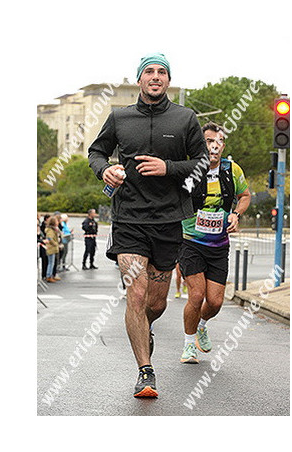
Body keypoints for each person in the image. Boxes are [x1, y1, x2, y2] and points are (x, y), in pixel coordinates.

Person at [88, 53, 208, 397]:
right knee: (136, 294)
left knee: (155, 304)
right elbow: (96, 152)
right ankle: (145, 370)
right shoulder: (120, 117)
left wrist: (168, 168)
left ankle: (144, 327)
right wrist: (105, 170)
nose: (155, 76)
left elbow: (202, 163)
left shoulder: (185, 118)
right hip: (129, 219)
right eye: (149, 72)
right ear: (139, 79)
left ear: (168, 80)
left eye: (161, 72)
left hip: (168, 219)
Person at [178, 121, 251, 363]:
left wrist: (236, 214)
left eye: (219, 141)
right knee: (196, 295)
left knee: (216, 302)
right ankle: (189, 345)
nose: (214, 146)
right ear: (201, 144)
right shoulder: (191, 169)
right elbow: (174, 196)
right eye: (209, 141)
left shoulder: (231, 170)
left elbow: (245, 195)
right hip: (190, 241)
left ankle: (201, 325)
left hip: (219, 245)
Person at [45, 216, 60, 283]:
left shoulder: (53, 229)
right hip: (51, 248)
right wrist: (55, 243)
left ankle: (51, 275)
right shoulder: (50, 230)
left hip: (53, 248)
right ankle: (48, 276)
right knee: (51, 263)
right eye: (56, 221)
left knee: (52, 263)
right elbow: (50, 238)